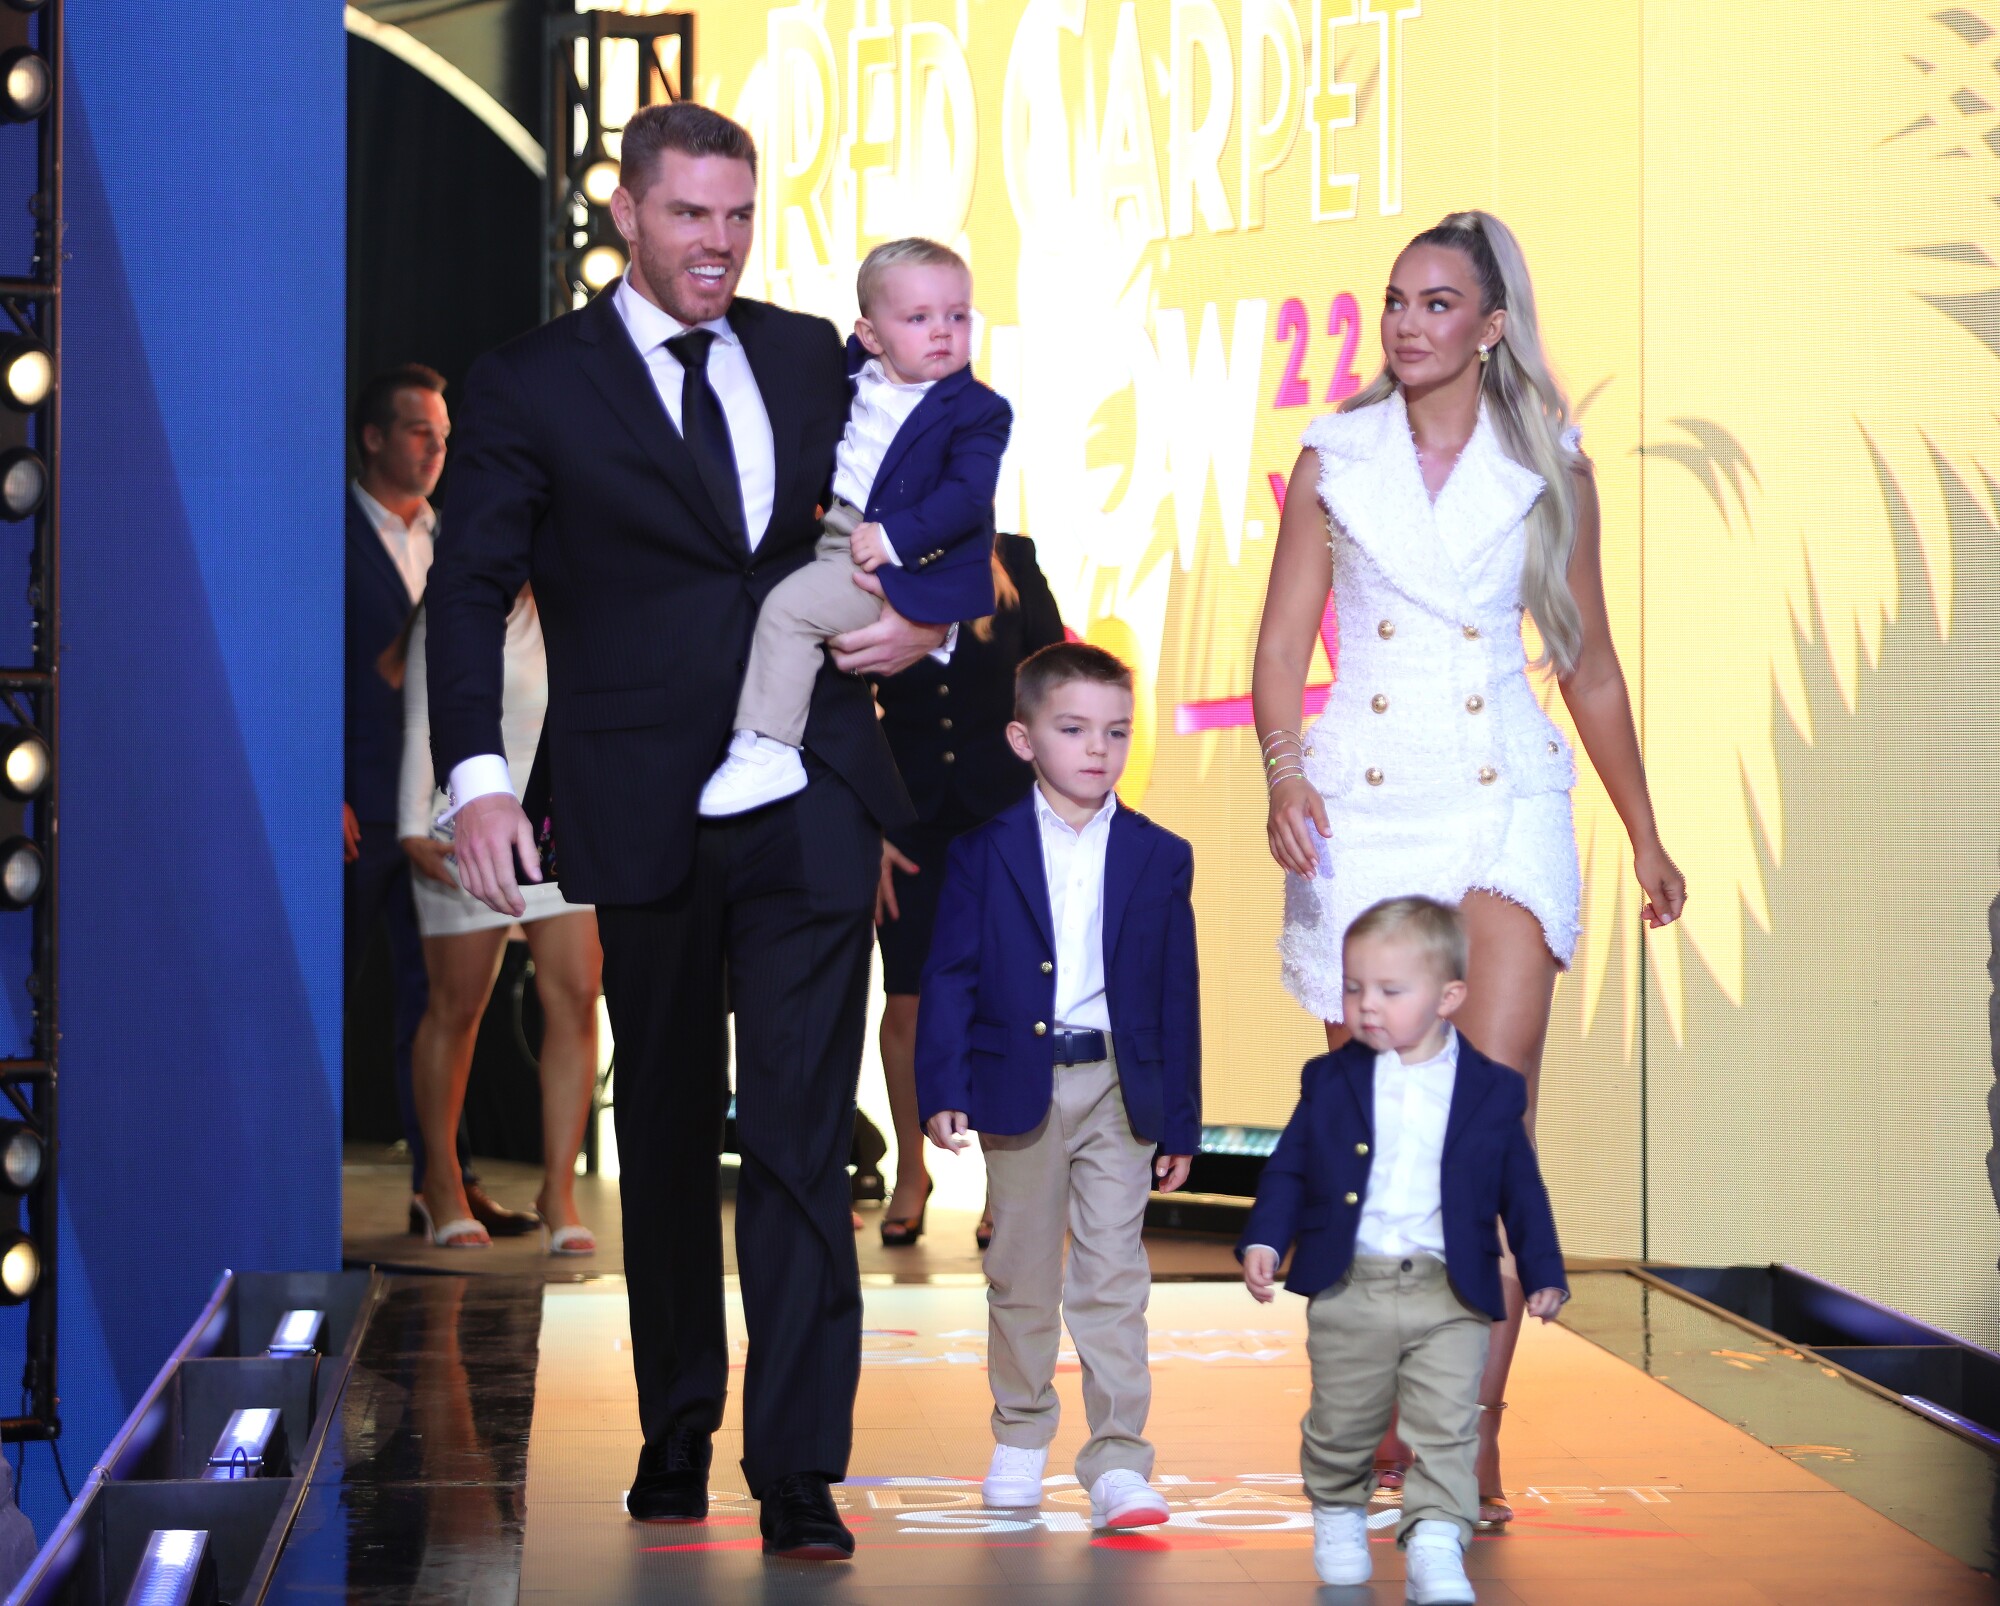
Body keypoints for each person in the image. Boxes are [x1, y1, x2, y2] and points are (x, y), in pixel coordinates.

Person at [425, 102, 946, 1562]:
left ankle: (796, 1466)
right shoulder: (532, 382)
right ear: (629, 215)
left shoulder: (805, 354)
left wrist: (928, 620)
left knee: (791, 1124)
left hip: (810, 793)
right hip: (637, 799)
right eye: (690, 216)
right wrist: (475, 771)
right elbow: (467, 587)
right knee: (659, 1121)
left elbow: (931, 496)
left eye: (738, 216)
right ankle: (672, 1429)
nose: (718, 243)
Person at [1252, 209, 1686, 1524]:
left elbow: (1589, 661)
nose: (1407, 323)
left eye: (1438, 304)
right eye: (1395, 300)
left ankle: (1466, 1440)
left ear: (1492, 326)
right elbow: (1282, 647)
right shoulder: (1336, 455)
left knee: (1482, 1132)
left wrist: (1644, 829)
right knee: (1379, 1137)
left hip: (1509, 796)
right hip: (1367, 806)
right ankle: (1386, 1410)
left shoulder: (1548, 463)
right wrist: (1281, 770)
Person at [916, 642, 1201, 1531]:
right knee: (1021, 1269)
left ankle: (1119, 1461)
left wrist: (1182, 1120)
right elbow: (952, 973)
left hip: (1120, 1086)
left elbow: (1175, 991)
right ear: (1022, 736)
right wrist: (942, 1084)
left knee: (1114, 1275)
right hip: (1020, 1086)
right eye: (1072, 729)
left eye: (1115, 732)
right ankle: (1021, 1435)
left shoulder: (1161, 855)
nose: (1096, 749)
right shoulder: (982, 851)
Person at [1240, 897, 1567, 1602]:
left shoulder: (1490, 1090)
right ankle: (1335, 1510)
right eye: (1354, 988)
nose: (1367, 1006)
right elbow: (1291, 1166)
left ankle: (1437, 1543)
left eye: (1391, 991)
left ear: (1450, 997)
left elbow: (1522, 1190)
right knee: (1341, 1421)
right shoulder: (1329, 1082)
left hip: (1449, 1290)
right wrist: (1267, 1237)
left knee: (1449, 1425)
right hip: (1350, 1285)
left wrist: (1543, 1272)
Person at [698, 237, 1012, 817]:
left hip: (887, 553)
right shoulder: (853, 373)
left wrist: (893, 541)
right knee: (790, 609)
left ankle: (767, 746)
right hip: (838, 535)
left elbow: (966, 498)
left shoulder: (978, 410)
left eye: (956, 316)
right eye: (918, 318)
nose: (942, 331)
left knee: (789, 610)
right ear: (870, 335)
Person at [343, 364, 534, 1242]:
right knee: (331, 989)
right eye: (420, 432)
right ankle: (295, 1181)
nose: (435, 450)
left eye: (444, 436)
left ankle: (440, 1179)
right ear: (376, 437)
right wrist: (324, 791)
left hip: (434, 805)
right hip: (354, 807)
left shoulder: (460, 539)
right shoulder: (331, 531)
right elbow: (309, 672)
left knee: (438, 1001)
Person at [872, 534, 1067, 1248]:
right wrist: (871, 824)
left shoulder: (1013, 558)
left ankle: (1004, 1183)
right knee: (907, 999)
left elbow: (1058, 684)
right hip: (909, 820)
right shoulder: (874, 565)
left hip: (1003, 819)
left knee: (1004, 1002)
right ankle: (910, 1172)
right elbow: (844, 700)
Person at [398, 591, 603, 1253]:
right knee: (457, 1008)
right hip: (468, 821)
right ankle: (441, 1185)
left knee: (574, 999)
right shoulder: (459, 601)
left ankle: (559, 1192)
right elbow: (422, 717)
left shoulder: (575, 590)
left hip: (560, 819)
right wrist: (408, 827)